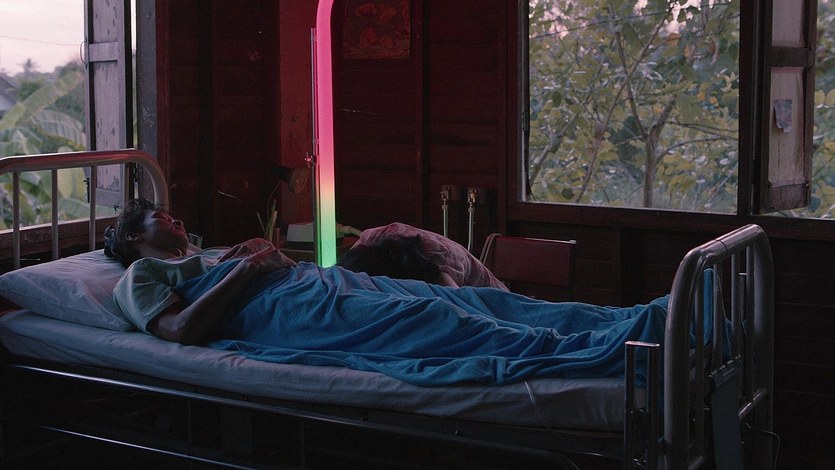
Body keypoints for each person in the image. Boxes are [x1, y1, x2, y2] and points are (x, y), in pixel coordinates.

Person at [107, 198, 672, 386]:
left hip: (320, 283)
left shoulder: (211, 254)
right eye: (164, 218)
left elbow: (274, 267)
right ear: (135, 236)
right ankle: (626, 350)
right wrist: (250, 268)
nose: (178, 221)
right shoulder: (141, 277)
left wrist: (260, 256)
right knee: (447, 327)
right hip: (290, 310)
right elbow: (181, 330)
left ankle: (645, 319)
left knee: (480, 301)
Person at [341, 222, 508, 290]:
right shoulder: (369, 240)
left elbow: (462, 310)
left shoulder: (437, 266)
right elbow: (341, 279)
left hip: (494, 303)